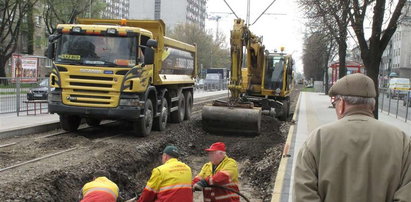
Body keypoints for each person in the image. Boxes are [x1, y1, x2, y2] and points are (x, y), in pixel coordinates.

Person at [293, 73, 411, 202]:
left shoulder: (317, 139)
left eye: (335, 103)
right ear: (373, 105)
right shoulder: (402, 141)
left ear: (342, 104)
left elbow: (303, 195)